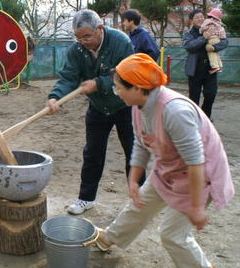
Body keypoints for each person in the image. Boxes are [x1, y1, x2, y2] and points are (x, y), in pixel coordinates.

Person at [94, 53, 234, 268]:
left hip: (198, 176)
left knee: (173, 236)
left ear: (138, 88)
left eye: (119, 87)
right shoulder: (138, 107)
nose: (117, 93)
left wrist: (196, 207)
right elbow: (141, 144)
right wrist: (133, 180)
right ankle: (108, 238)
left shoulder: (175, 111)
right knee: (138, 204)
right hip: (169, 168)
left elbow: (196, 162)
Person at [46, 9, 140, 215]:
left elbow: (128, 75)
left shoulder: (120, 41)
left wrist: (99, 83)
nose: (83, 42)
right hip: (98, 107)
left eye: (87, 36)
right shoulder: (76, 50)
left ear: (100, 29)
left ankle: (139, 200)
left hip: (126, 105)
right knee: (92, 153)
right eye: (78, 37)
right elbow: (68, 77)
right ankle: (86, 198)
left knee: (134, 152)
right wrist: (55, 97)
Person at [183, 9, 228, 120]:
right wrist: (204, 38)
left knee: (211, 94)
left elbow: (225, 41)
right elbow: (189, 47)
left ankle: (205, 115)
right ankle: (194, 117)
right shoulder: (189, 34)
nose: (200, 19)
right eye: (197, 17)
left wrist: (214, 47)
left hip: (210, 69)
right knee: (194, 96)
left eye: (201, 16)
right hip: (195, 69)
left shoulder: (213, 27)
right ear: (191, 20)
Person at [199, 9, 226, 74]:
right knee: (215, 53)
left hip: (211, 39)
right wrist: (222, 37)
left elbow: (203, 27)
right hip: (218, 39)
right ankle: (220, 66)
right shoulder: (219, 23)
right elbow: (222, 33)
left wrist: (201, 31)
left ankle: (215, 67)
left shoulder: (208, 21)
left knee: (210, 53)